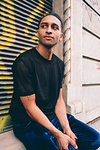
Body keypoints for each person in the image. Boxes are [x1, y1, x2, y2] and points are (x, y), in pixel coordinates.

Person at [9, 13, 100, 150]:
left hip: (52, 117)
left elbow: (58, 100)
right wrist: (57, 134)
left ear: (61, 36)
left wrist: (66, 129)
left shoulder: (59, 64)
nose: (49, 30)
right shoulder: (24, 62)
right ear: (38, 32)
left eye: (54, 27)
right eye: (44, 26)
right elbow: (30, 108)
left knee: (94, 139)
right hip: (28, 123)